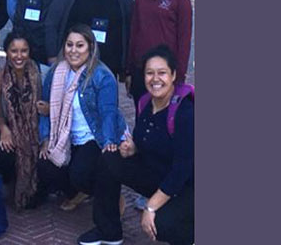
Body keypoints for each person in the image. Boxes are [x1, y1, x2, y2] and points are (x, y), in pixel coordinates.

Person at [78, 45, 194, 245]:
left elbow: (182, 169)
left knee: (161, 225)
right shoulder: (145, 103)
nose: (155, 79)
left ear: (173, 75)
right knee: (108, 159)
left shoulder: (186, 113)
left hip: (185, 186)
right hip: (158, 174)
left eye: (162, 73)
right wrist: (133, 148)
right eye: (150, 73)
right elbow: (148, 141)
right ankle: (109, 231)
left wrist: (151, 207)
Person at [36, 23, 127, 212]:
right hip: (64, 136)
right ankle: (78, 192)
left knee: (80, 174)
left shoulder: (102, 76)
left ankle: (109, 193)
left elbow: (108, 111)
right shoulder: (56, 72)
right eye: (69, 45)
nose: (73, 51)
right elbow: (45, 108)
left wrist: (109, 141)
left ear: (91, 48)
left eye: (80, 45)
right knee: (45, 166)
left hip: (93, 137)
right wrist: (44, 139)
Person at [44, 0, 133, 81]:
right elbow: (51, 24)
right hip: (72, 69)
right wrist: (52, 57)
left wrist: (127, 69)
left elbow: (131, 30)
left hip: (107, 71)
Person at [126, 0, 192, 114]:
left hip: (165, 73)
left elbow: (184, 41)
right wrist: (129, 70)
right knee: (141, 115)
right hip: (141, 70)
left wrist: (179, 77)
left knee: (164, 119)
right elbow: (134, 33)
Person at [0, 30, 43, 209]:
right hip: (13, 131)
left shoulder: (39, 74)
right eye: (14, 51)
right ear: (7, 52)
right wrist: (4, 129)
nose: (19, 56)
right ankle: (11, 180)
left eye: (24, 51)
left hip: (38, 131)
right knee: (3, 152)